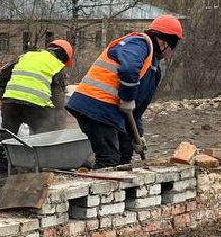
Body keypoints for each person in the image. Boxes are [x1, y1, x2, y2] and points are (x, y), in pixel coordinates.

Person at [66, 15, 184, 169]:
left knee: (125, 153)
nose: (171, 52)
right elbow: (128, 70)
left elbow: (136, 109)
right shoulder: (138, 43)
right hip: (95, 106)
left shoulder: (152, 67)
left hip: (108, 111)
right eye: (173, 47)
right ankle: (96, 189)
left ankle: (119, 189)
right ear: (165, 41)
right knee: (109, 159)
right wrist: (127, 98)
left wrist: (137, 136)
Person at [0, 38, 74, 137]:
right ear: (64, 57)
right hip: (37, 107)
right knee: (42, 139)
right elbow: (58, 100)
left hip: (11, 103)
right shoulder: (56, 65)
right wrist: (59, 128)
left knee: (6, 138)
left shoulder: (25, 56)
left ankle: (2, 152)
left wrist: (6, 97)